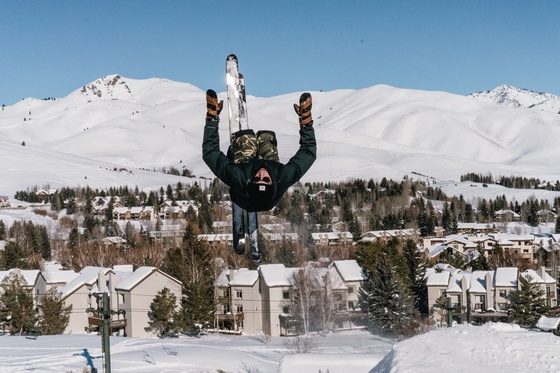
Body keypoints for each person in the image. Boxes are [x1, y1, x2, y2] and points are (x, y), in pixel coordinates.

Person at [202, 89, 317, 213]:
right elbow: (308, 152)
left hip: (242, 190)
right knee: (266, 138)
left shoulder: (238, 177)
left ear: (251, 180)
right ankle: (262, 150)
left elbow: (210, 152)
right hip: (268, 172)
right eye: (266, 179)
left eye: (257, 178)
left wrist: (212, 118)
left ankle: (243, 146)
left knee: (247, 138)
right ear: (273, 181)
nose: (262, 174)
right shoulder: (282, 177)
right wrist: (306, 120)